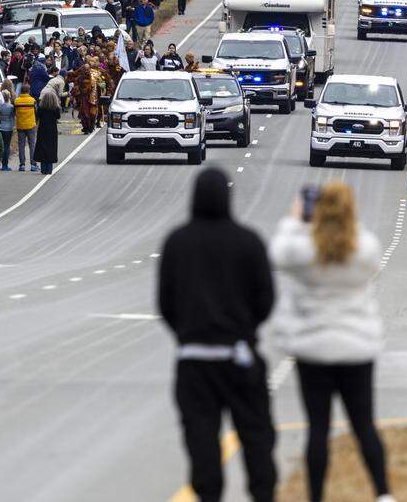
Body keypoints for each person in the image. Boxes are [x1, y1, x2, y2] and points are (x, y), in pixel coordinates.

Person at [268, 183, 394, 502]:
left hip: (314, 351)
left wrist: (296, 220)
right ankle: (382, 493)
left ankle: (316, 496)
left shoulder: (305, 249)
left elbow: (278, 252)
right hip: (356, 350)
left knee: (318, 429)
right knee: (364, 425)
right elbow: (371, 258)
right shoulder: (363, 247)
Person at [158, 168, 277, 502]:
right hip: (239, 357)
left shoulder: (177, 242)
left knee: (201, 438)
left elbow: (165, 303)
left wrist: (186, 333)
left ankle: (209, 494)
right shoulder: (248, 241)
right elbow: (266, 299)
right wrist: (246, 330)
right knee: (256, 436)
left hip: (194, 361)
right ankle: (262, 493)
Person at [34, 83, 61, 175]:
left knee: (42, 147)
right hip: (52, 130)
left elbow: (37, 116)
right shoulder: (55, 108)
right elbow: (58, 117)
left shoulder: (41, 108)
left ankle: (43, 168)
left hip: (42, 129)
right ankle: (49, 168)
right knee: (51, 148)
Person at [14, 83, 38, 172]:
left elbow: (14, 112)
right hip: (31, 124)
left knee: (21, 145)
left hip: (20, 125)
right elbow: (36, 111)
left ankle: (22, 165)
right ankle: (33, 164)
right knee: (32, 145)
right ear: (29, 91)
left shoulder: (16, 101)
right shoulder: (32, 101)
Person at [0, 85, 15, 170]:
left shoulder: (0, 107)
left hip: (0, 127)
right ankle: (5, 165)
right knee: (6, 146)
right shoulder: (11, 107)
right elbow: (14, 116)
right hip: (9, 127)